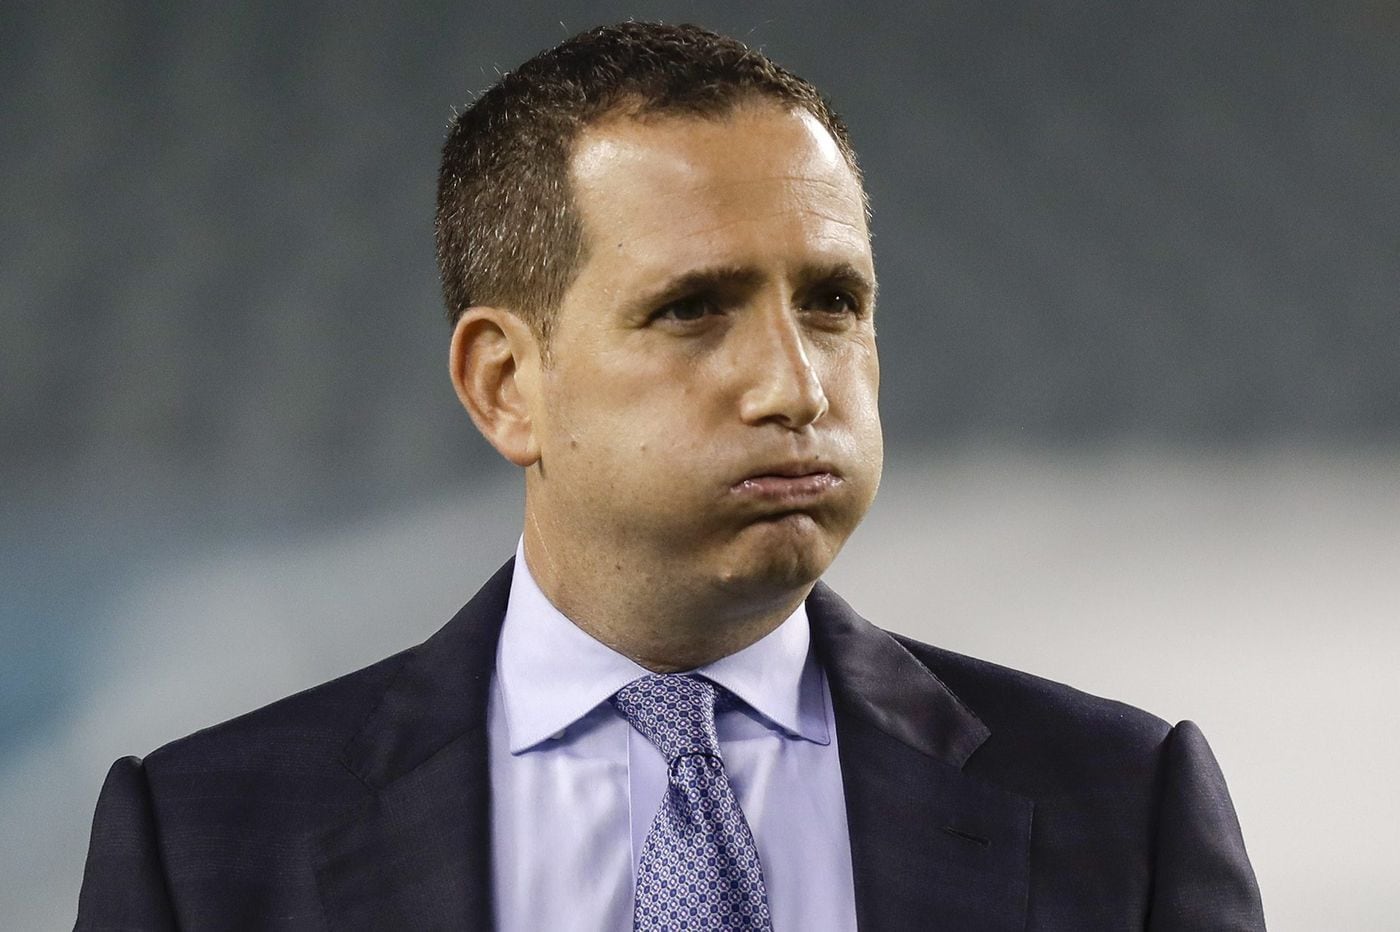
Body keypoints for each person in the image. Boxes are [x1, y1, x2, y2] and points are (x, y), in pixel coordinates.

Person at [77, 21, 1265, 931]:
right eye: (693, 308)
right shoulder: (204, 842)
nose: (794, 384)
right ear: (504, 384)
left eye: (831, 302)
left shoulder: (1122, 804)